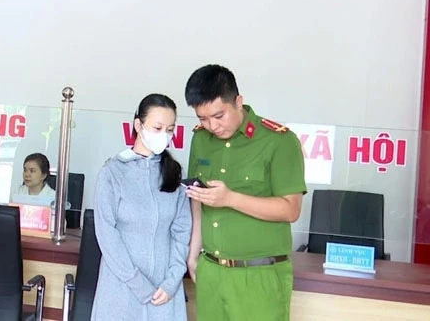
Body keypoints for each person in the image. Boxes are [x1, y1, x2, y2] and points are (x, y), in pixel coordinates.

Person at [183, 64, 307, 321]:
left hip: (259, 274)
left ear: (238, 102)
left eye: (219, 115)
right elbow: (198, 198)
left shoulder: (279, 141)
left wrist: (231, 199)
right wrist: (193, 255)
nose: (212, 126)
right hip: (211, 271)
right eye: (202, 119)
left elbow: (291, 209)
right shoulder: (201, 140)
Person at [91, 94, 191, 320]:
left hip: (164, 292)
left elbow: (182, 231)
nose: (164, 135)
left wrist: (172, 281)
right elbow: (106, 234)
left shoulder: (174, 173)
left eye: (169, 130)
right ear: (138, 125)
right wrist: (138, 283)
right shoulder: (113, 173)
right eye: (157, 128)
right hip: (121, 288)